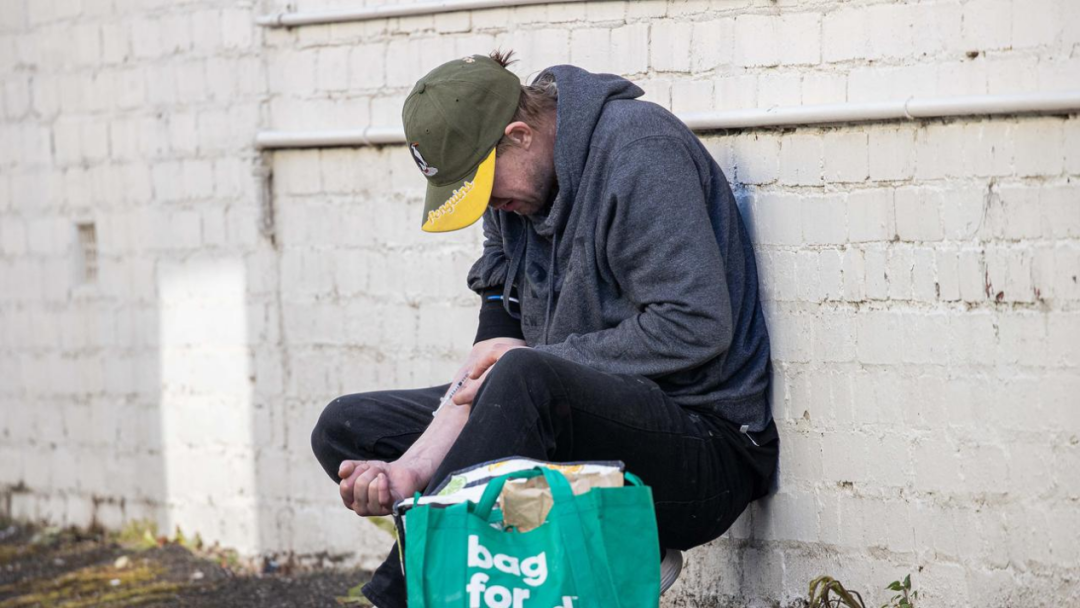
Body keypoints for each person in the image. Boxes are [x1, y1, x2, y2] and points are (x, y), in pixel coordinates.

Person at [310, 50, 779, 608]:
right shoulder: (512, 190)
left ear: (520, 134)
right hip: (567, 420)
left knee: (525, 375)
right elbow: (498, 325)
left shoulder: (638, 153)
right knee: (347, 426)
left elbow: (695, 325)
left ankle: (403, 596)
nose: (489, 205)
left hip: (703, 448)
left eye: (485, 187)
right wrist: (416, 464)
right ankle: (579, 542)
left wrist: (520, 369)